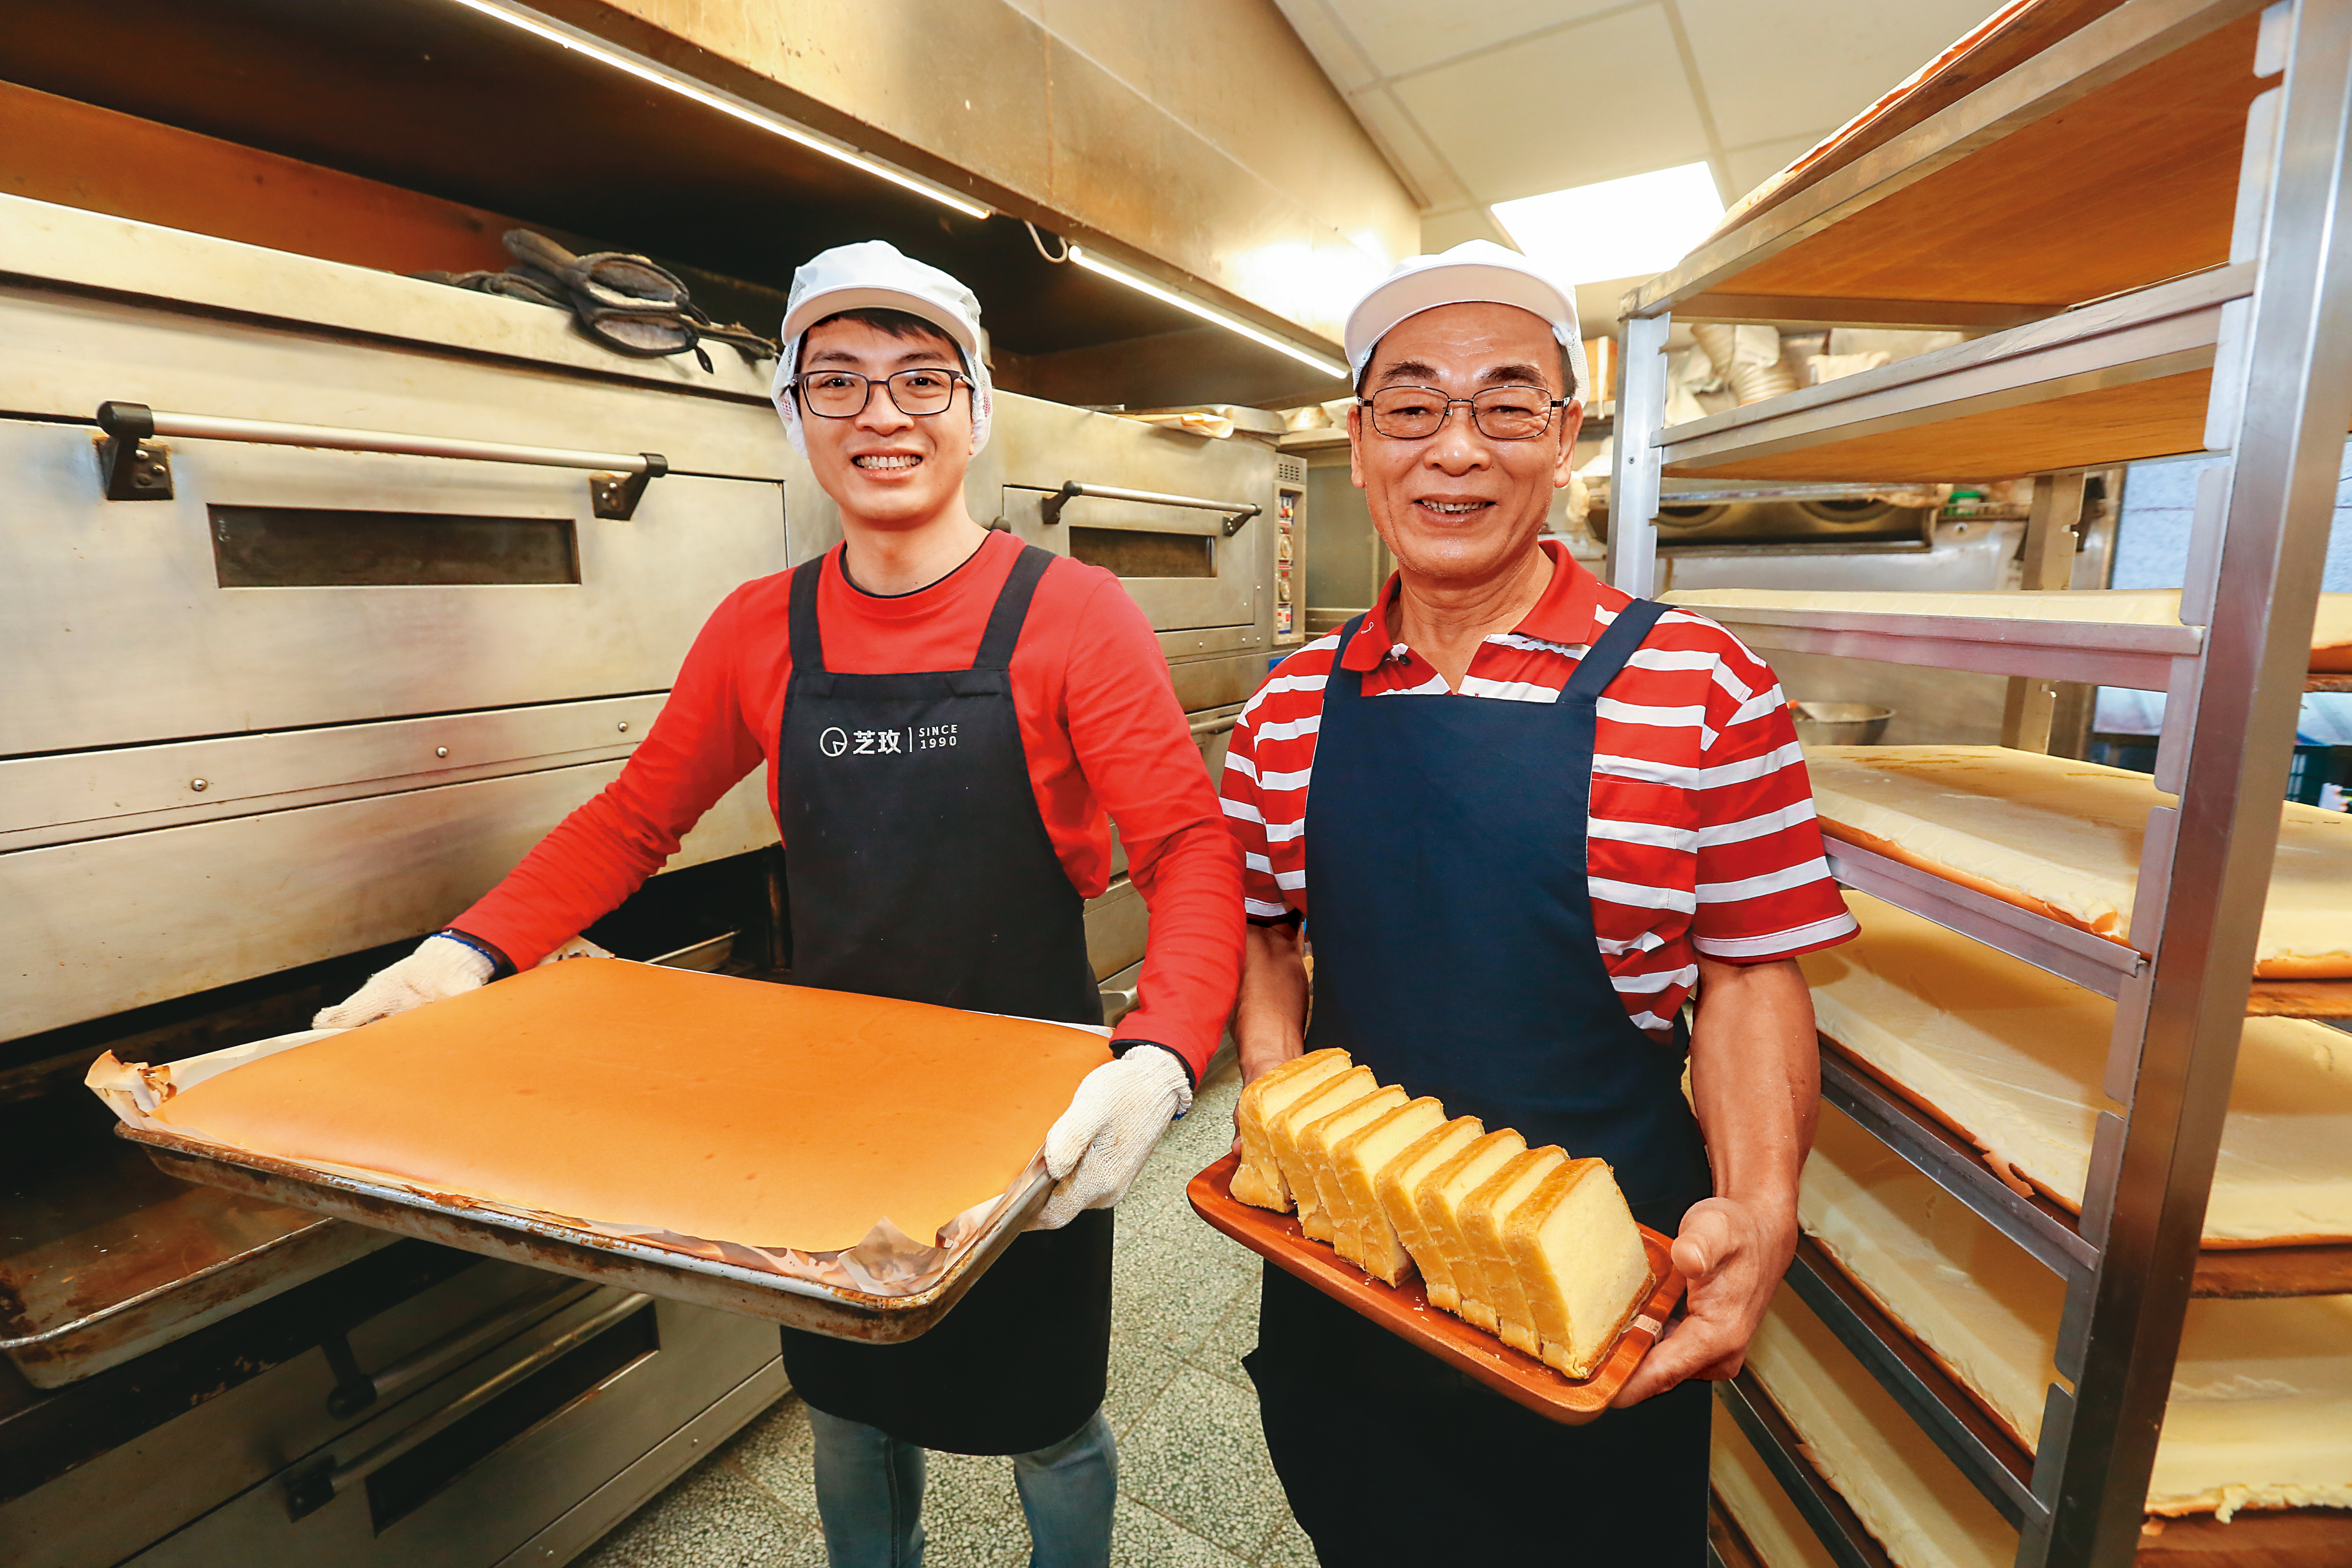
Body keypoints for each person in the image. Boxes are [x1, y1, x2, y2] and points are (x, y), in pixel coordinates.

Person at [317, 241, 1243, 1568]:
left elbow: (1187, 849)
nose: (882, 415)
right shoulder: (762, 626)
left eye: (922, 379)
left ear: (977, 410)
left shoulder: (1075, 616)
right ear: (795, 416)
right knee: (849, 1406)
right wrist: (465, 952)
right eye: (839, 382)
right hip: (829, 1103)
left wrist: (1161, 1053)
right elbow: (633, 821)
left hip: (1028, 1099)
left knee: (1048, 1413)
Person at [1219, 241, 1854, 1564]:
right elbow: (1264, 930)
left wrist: (1763, 1208)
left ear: (1565, 439)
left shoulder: (1702, 686)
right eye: (1412, 406)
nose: (1456, 449)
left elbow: (1750, 972)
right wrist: (1277, 1102)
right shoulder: (1287, 707)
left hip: (1608, 1272)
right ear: (1359, 443)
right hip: (1356, 1266)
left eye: (1506, 405)